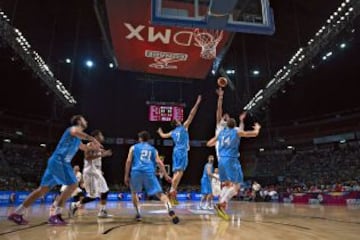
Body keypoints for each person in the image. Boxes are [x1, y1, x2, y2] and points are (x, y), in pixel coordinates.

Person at [8, 115, 102, 225]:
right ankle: (56, 215)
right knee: (73, 184)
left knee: (41, 191)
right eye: (84, 119)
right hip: (60, 161)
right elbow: (78, 133)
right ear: (79, 121)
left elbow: (85, 148)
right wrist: (93, 139)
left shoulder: (77, 139)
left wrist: (95, 148)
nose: (86, 121)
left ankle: (17, 213)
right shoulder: (72, 129)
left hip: (55, 162)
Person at [207, 116, 261, 220]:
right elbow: (254, 134)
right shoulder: (236, 132)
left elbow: (209, 143)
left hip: (221, 161)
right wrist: (257, 128)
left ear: (227, 125)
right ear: (235, 126)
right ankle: (222, 203)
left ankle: (220, 203)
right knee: (236, 187)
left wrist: (218, 142)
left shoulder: (221, 133)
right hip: (231, 160)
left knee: (227, 185)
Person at [124, 131, 179, 224]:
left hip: (136, 172)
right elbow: (159, 163)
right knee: (160, 194)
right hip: (149, 172)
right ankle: (169, 209)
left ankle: (138, 214)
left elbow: (128, 161)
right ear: (148, 139)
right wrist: (166, 175)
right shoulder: (153, 149)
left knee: (134, 193)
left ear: (140, 138)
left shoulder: (133, 148)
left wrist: (126, 175)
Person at [157, 95, 202, 205]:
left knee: (177, 171)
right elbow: (192, 114)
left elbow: (163, 136)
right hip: (182, 151)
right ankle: (172, 191)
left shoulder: (172, 132)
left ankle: (172, 191)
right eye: (178, 120)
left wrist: (159, 132)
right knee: (180, 172)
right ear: (177, 123)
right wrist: (197, 103)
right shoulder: (183, 127)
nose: (179, 120)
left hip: (175, 151)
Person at [70, 130, 113, 218]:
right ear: (96, 136)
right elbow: (87, 157)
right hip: (90, 172)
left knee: (105, 191)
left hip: (97, 172)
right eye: (101, 135)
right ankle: (75, 205)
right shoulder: (90, 145)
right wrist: (102, 155)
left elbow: (98, 161)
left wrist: (100, 169)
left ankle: (102, 211)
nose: (102, 136)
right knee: (93, 196)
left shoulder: (99, 146)